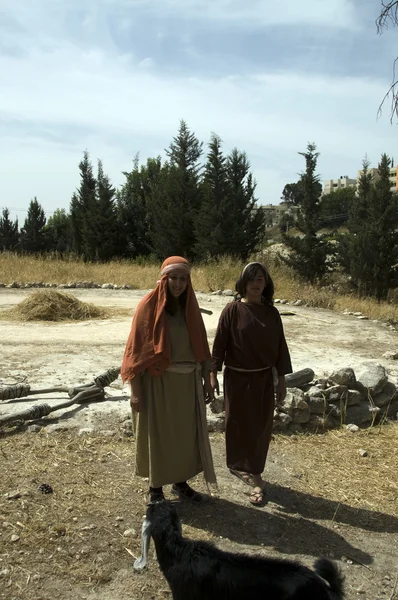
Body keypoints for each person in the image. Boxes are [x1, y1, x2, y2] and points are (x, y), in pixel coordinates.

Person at [121, 256, 217, 505]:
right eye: (173, 278)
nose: (178, 283)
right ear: (164, 278)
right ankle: (155, 489)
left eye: (183, 278)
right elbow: (136, 353)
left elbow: (201, 346)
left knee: (184, 437)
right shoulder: (148, 306)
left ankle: (180, 483)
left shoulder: (191, 308)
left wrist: (208, 378)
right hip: (158, 384)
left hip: (186, 385)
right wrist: (135, 391)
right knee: (159, 436)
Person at [210, 262, 292, 506]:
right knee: (236, 424)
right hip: (236, 378)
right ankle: (238, 465)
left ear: (266, 284)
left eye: (261, 279)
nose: (256, 284)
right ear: (243, 283)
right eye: (252, 279)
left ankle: (257, 478)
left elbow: (281, 349)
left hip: (264, 379)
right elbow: (219, 346)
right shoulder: (232, 310)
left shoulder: (272, 313)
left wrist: (282, 380)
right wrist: (213, 373)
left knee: (260, 427)